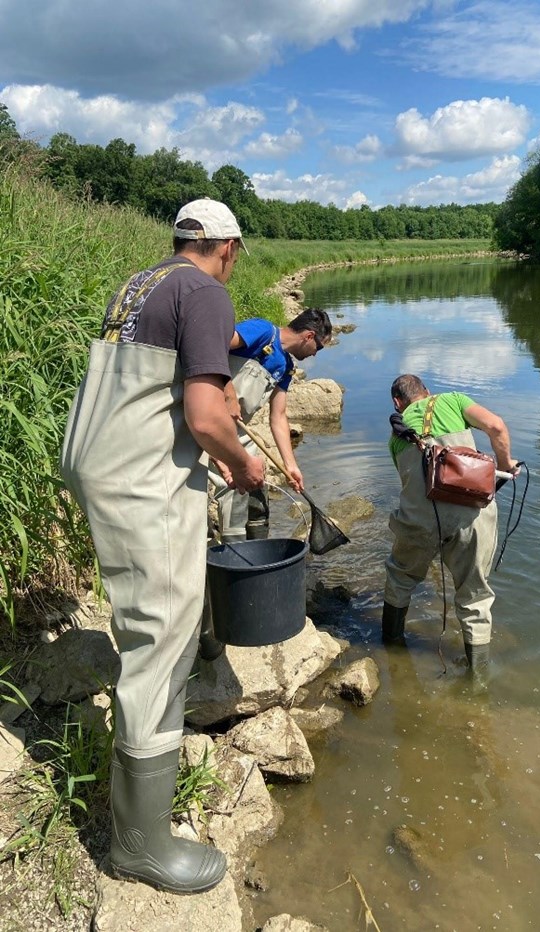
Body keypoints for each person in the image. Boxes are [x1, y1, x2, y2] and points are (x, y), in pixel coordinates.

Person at [60, 198, 265, 895]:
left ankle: (138, 816)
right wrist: (243, 464)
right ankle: (139, 846)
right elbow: (206, 417)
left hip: (99, 457)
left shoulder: (140, 282)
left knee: (146, 613)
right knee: (162, 634)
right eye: (236, 254)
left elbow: (153, 386)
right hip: (140, 478)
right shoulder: (206, 290)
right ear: (227, 247)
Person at [383, 374, 518, 683]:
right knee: (474, 595)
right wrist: (505, 463)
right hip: (471, 515)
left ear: (397, 404)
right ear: (428, 392)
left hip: (418, 520)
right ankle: (479, 681)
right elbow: (496, 426)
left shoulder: (394, 440)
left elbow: (412, 483)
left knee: (400, 578)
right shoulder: (453, 401)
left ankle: (391, 651)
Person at [213, 307, 333, 543]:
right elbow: (213, 345)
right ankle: (226, 554)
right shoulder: (262, 331)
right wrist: (227, 391)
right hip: (207, 420)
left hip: (238, 431)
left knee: (250, 491)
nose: (316, 354)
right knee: (225, 494)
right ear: (309, 336)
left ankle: (247, 549)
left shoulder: (286, 367)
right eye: (318, 347)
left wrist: (291, 466)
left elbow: (278, 416)